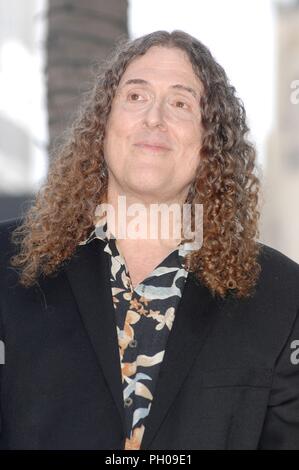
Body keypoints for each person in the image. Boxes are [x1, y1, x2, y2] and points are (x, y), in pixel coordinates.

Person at [0, 30, 299, 450]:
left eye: (180, 103)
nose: (154, 118)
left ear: (209, 141)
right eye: (136, 97)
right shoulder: (7, 265)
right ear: (103, 124)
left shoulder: (281, 295)